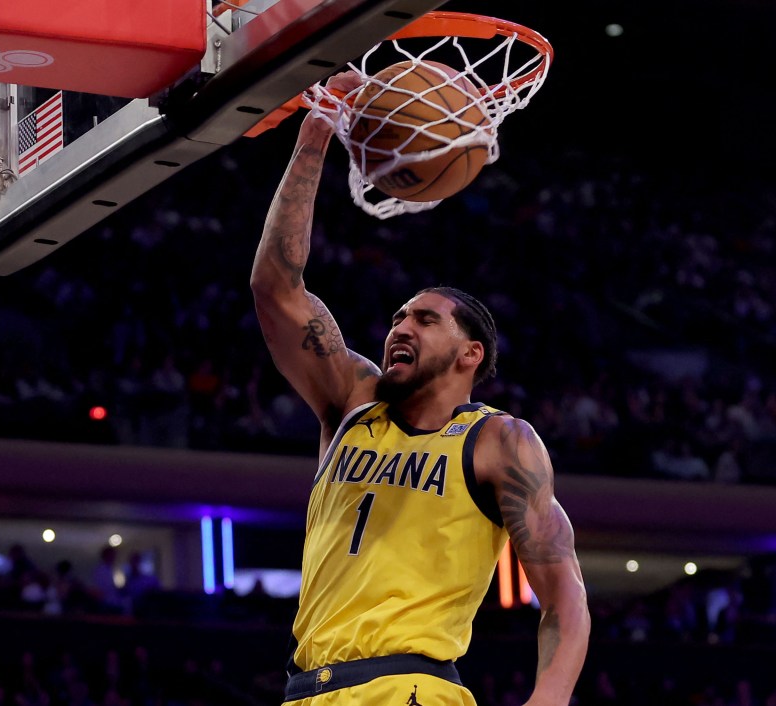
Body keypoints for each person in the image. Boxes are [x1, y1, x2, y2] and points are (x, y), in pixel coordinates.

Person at [250, 72, 590, 706]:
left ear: (470, 353)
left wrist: (550, 697)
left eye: (425, 319)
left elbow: (563, 591)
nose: (400, 327)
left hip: (412, 688)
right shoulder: (351, 401)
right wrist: (315, 135)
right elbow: (276, 289)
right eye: (399, 317)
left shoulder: (498, 441)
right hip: (306, 690)